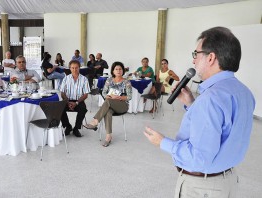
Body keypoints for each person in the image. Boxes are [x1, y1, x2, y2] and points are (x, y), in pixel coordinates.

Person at [144, 27, 255, 198]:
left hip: (203, 188)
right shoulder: (244, 92)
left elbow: (199, 157)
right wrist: (191, 103)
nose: (194, 61)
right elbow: (223, 127)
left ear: (211, 57)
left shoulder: (211, 98)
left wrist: (163, 142)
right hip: (228, 181)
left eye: (196, 54)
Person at [84, 61, 132, 147]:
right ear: (113, 71)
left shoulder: (126, 82)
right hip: (111, 104)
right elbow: (104, 93)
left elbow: (129, 96)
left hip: (122, 105)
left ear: (123, 71)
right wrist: (109, 96)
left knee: (108, 101)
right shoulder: (109, 80)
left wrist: (119, 97)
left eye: (120, 69)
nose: (118, 71)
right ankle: (108, 136)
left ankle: (95, 121)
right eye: (116, 69)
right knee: (108, 111)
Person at [60, 60, 90, 138]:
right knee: (59, 108)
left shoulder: (84, 79)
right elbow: (62, 93)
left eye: (76, 68)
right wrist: (67, 102)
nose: (74, 70)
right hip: (67, 100)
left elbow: (86, 95)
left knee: (83, 109)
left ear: (79, 68)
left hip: (79, 101)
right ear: (69, 68)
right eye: (72, 68)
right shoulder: (65, 79)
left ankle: (76, 128)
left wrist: (76, 103)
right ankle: (68, 126)